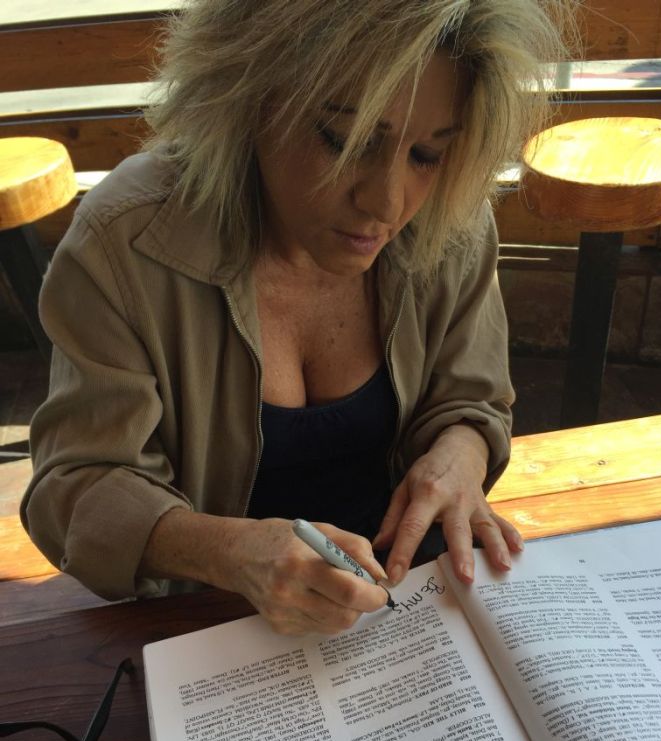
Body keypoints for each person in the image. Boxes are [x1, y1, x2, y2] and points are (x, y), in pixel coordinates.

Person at [21, 0, 571, 634]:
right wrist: (227, 552)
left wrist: (460, 455)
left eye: (426, 153)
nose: (387, 203)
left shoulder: (449, 214)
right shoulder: (126, 242)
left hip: (414, 612)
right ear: (247, 94)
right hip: (212, 623)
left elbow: (473, 399)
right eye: (344, 140)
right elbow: (76, 487)